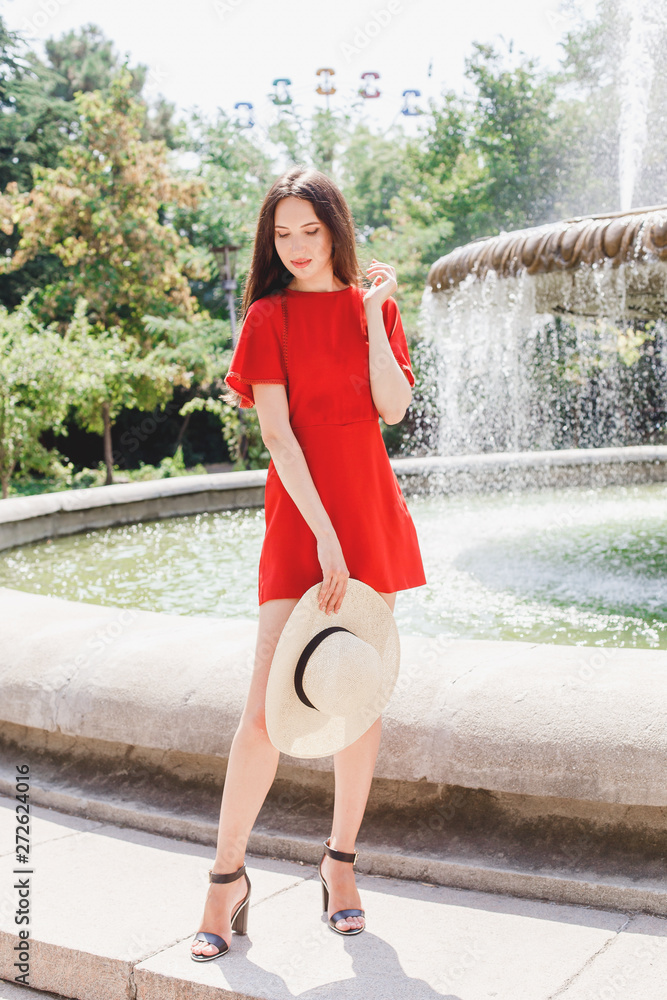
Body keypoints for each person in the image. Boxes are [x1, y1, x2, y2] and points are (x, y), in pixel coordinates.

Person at [190, 165, 426, 960]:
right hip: (303, 523)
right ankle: (226, 878)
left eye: (309, 232)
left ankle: (341, 865)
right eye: (282, 233)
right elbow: (279, 437)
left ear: (334, 231)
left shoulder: (373, 307)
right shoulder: (267, 316)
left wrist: (369, 313)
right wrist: (323, 535)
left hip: (372, 514)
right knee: (261, 713)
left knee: (357, 697)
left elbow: (392, 409)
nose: (294, 246)